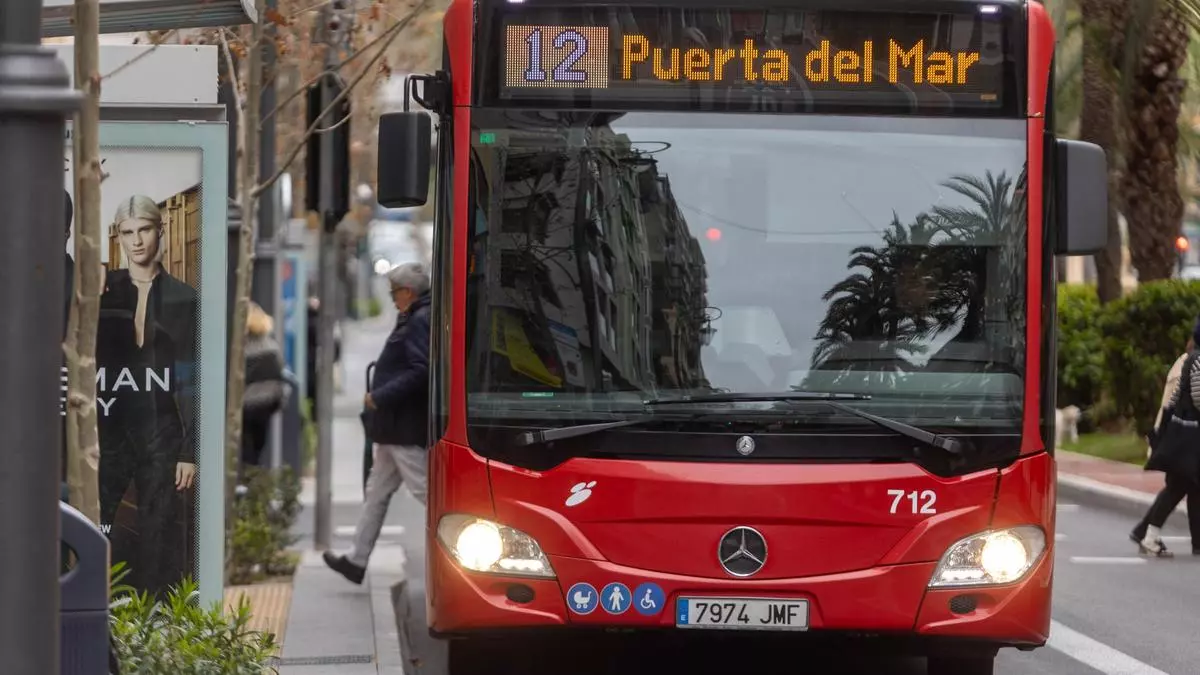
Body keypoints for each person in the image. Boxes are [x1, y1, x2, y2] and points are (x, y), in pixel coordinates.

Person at [96, 194, 198, 595]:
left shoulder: (183, 298)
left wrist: (188, 451)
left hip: (161, 428)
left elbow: (192, 377)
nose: (137, 241)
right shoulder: (104, 291)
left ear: (162, 231)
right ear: (118, 236)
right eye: (127, 232)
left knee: (159, 529)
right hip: (109, 426)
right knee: (98, 520)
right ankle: (99, 605)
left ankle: (155, 618)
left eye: (144, 230)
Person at [323, 262, 432, 584]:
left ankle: (465, 546)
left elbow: (420, 371)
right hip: (392, 428)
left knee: (428, 491)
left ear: (408, 292)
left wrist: (379, 396)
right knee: (376, 493)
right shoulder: (413, 317)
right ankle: (356, 561)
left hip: (401, 426)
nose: (392, 298)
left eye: (394, 292)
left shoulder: (418, 320)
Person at [1131, 315, 1200, 557]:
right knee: (1178, 487)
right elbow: (1198, 398)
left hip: (1182, 436)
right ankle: (1148, 536)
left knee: (1187, 487)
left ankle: (1153, 535)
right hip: (1191, 438)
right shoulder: (1198, 361)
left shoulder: (1189, 360)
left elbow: (1173, 400)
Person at [241, 301, 286, 469]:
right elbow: (280, 374)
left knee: (245, 448)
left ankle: (247, 481)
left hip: (247, 404)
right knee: (258, 445)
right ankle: (254, 479)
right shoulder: (272, 347)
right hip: (267, 402)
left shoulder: (242, 349)